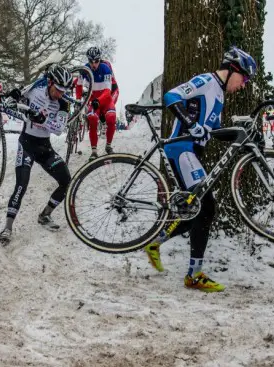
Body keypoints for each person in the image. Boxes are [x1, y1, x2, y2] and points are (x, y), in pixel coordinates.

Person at [142, 47, 257, 293]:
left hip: (192, 153)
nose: (244, 84)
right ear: (233, 69)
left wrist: (242, 135)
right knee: (205, 207)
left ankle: (157, 244)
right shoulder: (206, 81)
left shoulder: (220, 94)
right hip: (181, 148)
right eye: (244, 78)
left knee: (199, 210)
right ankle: (193, 274)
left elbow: (215, 131)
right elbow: (172, 96)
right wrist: (191, 124)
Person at [0, 64, 73, 245]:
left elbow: (59, 129)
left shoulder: (64, 103)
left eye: (63, 91)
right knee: (21, 184)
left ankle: (45, 215)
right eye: (57, 89)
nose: (59, 94)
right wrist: (12, 96)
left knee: (66, 182)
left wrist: (43, 119)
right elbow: (17, 96)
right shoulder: (36, 88)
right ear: (50, 82)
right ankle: (8, 227)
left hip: (45, 148)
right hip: (27, 144)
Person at [76, 46, 120, 160]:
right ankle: (94, 151)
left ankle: (108, 146)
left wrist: (98, 101)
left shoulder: (105, 68)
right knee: (92, 118)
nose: (94, 64)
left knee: (111, 118)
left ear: (99, 60)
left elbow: (107, 91)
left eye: (96, 61)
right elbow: (79, 85)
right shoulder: (84, 69)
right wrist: (78, 99)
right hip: (94, 100)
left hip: (105, 100)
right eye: (91, 61)